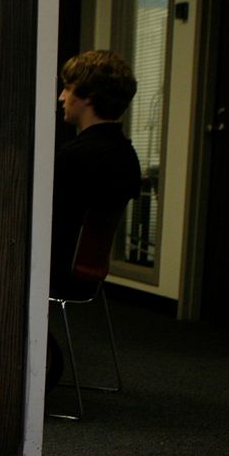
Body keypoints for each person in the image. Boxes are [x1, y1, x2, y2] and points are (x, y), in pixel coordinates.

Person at [47, 50, 141, 391]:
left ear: (87, 98)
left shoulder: (75, 159)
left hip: (60, 272)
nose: (61, 97)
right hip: (88, 273)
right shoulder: (125, 155)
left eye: (68, 88)